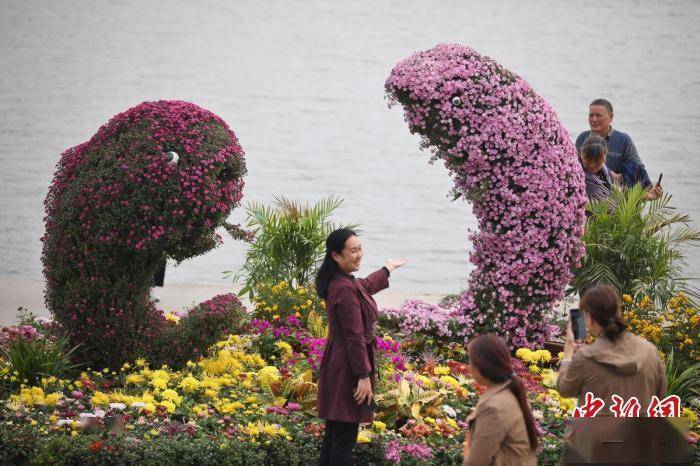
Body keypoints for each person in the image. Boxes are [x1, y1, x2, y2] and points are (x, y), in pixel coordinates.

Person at [315, 228, 406, 466]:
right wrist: (363, 377)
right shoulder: (343, 288)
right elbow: (355, 337)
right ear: (336, 255)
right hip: (348, 368)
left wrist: (387, 269)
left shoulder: (343, 282)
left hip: (339, 363)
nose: (359, 255)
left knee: (334, 435)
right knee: (343, 440)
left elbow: (364, 286)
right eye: (353, 251)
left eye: (360, 249)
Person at [557, 285, 667, 461]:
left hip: (592, 451)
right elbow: (661, 399)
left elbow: (565, 389)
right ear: (618, 312)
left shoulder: (586, 357)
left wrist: (569, 349)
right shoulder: (649, 352)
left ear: (590, 318)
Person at [462, 334, 539, 466]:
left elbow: (476, 462)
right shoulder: (509, 392)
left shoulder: (494, 407)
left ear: (481, 366)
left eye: (470, 360)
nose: (468, 366)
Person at [575, 98, 656, 189]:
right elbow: (574, 165)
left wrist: (619, 177)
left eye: (598, 115)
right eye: (591, 115)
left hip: (616, 193)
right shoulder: (582, 138)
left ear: (611, 117)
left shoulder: (623, 140)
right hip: (588, 188)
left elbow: (637, 168)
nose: (594, 119)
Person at [580, 135, 663, 202]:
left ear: (605, 156)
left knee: (635, 166)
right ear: (581, 154)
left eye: (597, 162)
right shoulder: (577, 174)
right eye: (588, 161)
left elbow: (619, 191)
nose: (592, 165)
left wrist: (648, 195)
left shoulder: (605, 171)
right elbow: (605, 204)